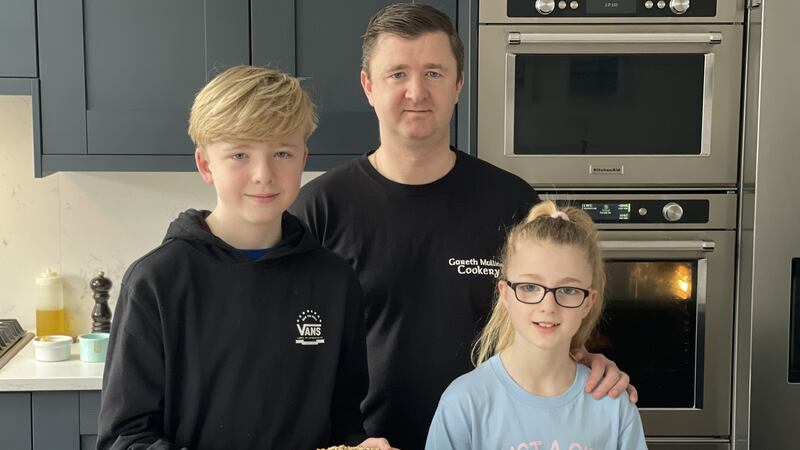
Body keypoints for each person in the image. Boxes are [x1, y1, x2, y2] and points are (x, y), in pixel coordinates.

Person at [290, 4, 636, 449]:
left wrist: (583, 356)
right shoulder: (319, 209)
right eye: (397, 74)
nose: (416, 91)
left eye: (433, 73)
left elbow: (548, 311)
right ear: (368, 86)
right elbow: (287, 354)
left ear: (458, 85)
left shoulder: (511, 203)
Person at [97, 66, 394, 450]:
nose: (263, 174)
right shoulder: (156, 281)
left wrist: (360, 445)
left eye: (281, 153)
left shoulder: (335, 282)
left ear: (303, 158)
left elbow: (344, 420)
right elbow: (125, 438)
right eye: (239, 154)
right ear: (206, 165)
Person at [425, 201, 647, 449]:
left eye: (568, 289)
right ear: (505, 294)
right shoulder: (464, 402)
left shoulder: (613, 404)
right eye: (530, 287)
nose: (548, 306)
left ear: (588, 302)